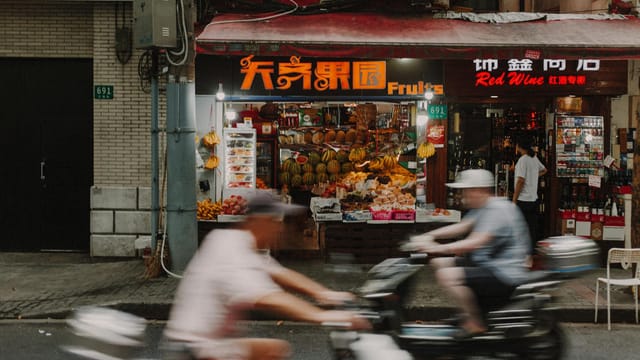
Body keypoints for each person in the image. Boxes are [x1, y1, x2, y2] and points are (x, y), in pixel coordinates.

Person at [164, 192, 370, 360]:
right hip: (196, 349)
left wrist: (326, 294)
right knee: (272, 350)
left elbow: (281, 274)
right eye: (275, 221)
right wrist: (322, 315)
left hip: (207, 343)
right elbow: (268, 297)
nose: (279, 227)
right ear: (259, 222)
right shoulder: (232, 250)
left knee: (271, 349)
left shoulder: (237, 242)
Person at [410, 169, 531, 338]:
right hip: (487, 265)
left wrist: (436, 248)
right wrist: (429, 236)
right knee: (438, 263)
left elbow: (475, 242)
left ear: (478, 190)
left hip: (503, 273)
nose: (462, 195)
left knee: (448, 275)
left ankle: (475, 321)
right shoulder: (482, 207)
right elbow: (462, 227)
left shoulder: (498, 210)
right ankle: (472, 309)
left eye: (465, 191)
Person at [512, 137, 547, 250]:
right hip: (533, 199)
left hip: (523, 200)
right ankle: (530, 253)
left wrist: (514, 199)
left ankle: (521, 251)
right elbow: (544, 170)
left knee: (520, 227)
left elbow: (521, 180)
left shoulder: (523, 160)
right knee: (531, 228)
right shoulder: (534, 158)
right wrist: (532, 177)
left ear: (519, 146)